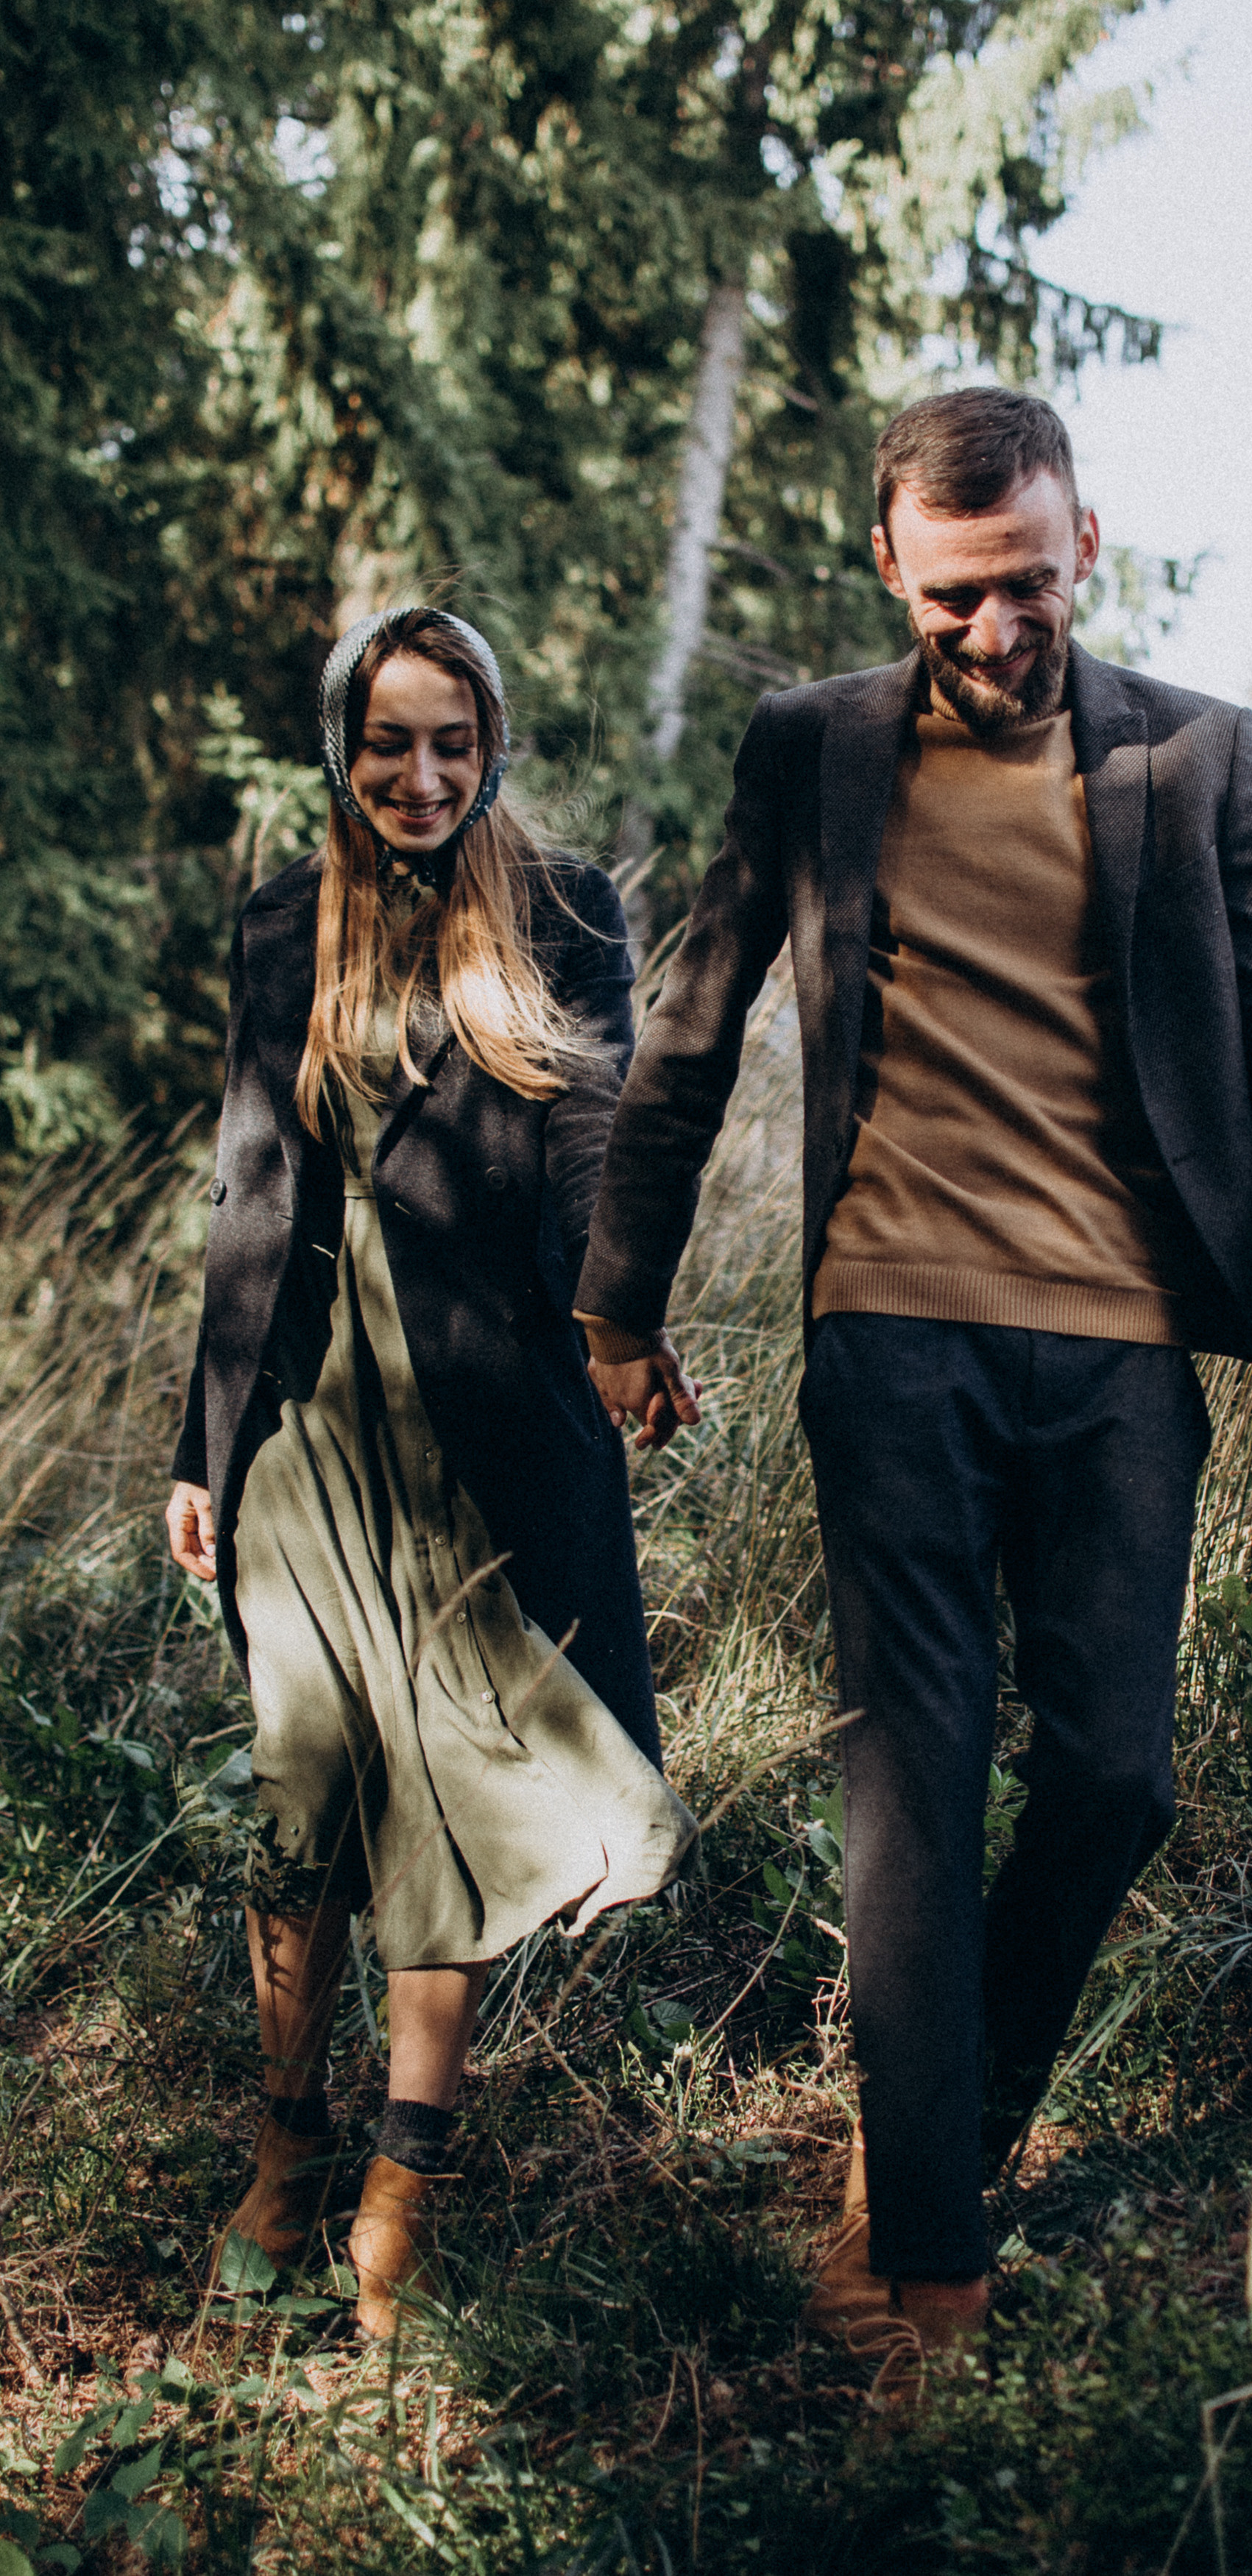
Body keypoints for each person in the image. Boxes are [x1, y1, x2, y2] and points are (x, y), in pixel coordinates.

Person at [573, 389, 1252, 2396]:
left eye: (1029, 585)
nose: (994, 630)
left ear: (1084, 545)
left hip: (1125, 1346)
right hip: (891, 1332)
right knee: (914, 1762)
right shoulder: (810, 749)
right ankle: (933, 2285)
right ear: (891, 564)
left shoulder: (1193, 755)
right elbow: (693, 1030)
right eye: (957, 594)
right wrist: (618, 1301)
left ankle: (940, 2125)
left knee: (1117, 1771)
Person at [166, 606, 696, 2338]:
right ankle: (285, 2138)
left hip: (477, 1426)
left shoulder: (560, 914)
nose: (421, 773)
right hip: (306, 1435)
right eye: (390, 741)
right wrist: (201, 1444)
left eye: (452, 742)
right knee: (305, 1795)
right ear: (346, 747)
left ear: (494, 747)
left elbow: (590, 1131)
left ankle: (402, 2182)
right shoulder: (276, 922)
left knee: (445, 1800)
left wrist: (617, 1307)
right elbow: (253, 1186)